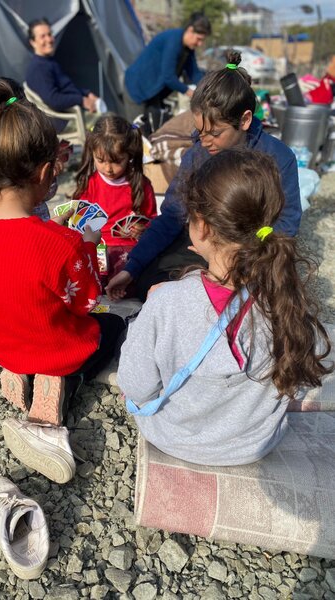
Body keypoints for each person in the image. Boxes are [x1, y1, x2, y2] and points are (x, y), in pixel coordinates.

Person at [0, 78, 126, 484]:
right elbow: (87, 301)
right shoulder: (60, 244)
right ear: (48, 171)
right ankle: (64, 382)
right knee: (113, 324)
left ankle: (19, 373)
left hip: (3, 346)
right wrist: (88, 247)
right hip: (55, 350)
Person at [117, 148, 332, 466]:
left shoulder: (167, 302)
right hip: (254, 444)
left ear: (201, 226)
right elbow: (298, 377)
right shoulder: (284, 295)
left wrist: (150, 313)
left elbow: (136, 385)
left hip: (175, 438)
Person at [107, 50, 302, 302]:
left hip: (253, 250)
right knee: (150, 283)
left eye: (215, 133)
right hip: (204, 246)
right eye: (200, 131)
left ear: (244, 120)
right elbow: (172, 216)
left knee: (259, 296)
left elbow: (286, 224)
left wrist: (244, 249)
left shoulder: (277, 158)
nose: (205, 141)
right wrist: (131, 267)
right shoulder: (198, 154)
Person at [72, 114, 157, 287]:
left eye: (117, 161)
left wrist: (142, 229)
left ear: (129, 154)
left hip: (129, 248)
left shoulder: (141, 185)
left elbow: (152, 219)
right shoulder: (90, 185)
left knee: (134, 270)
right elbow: (78, 224)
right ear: (92, 154)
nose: (108, 168)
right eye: (100, 160)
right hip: (97, 246)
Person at [123, 13, 211, 128]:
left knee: (155, 127)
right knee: (137, 130)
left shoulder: (188, 49)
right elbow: (168, 77)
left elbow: (194, 74)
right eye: (199, 39)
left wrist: (207, 90)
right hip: (137, 88)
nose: (200, 44)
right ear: (190, 30)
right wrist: (190, 92)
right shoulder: (173, 41)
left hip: (153, 93)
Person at [26, 18, 99, 117]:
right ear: (33, 42)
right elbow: (54, 100)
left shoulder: (48, 62)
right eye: (42, 36)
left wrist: (87, 93)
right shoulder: (38, 68)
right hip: (67, 120)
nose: (49, 40)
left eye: (50, 34)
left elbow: (66, 88)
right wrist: (81, 100)